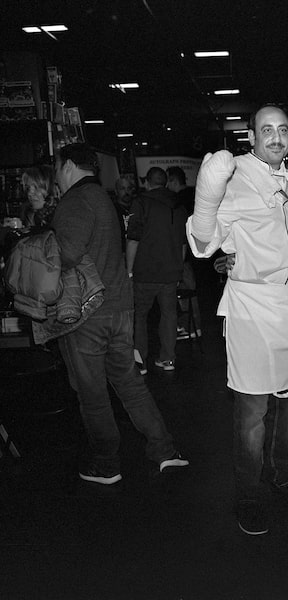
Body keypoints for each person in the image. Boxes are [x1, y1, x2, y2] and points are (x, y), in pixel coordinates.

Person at [186, 104, 288, 536]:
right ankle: (249, 494)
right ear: (251, 137)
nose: (276, 137)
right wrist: (208, 197)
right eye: (267, 130)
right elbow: (205, 243)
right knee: (251, 413)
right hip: (254, 311)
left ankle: (284, 472)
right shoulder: (235, 176)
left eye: (283, 130)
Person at [51, 143, 188, 484]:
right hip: (118, 307)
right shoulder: (103, 197)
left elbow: (66, 254)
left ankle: (106, 463)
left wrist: (40, 247)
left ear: (68, 165)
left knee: (92, 394)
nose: (55, 176)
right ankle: (165, 451)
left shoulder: (75, 202)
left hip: (88, 313)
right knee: (130, 384)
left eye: (56, 168)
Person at [126, 167, 188, 373]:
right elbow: (183, 243)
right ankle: (168, 359)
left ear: (146, 182)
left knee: (139, 317)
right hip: (170, 270)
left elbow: (133, 239)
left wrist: (129, 270)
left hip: (145, 270)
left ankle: (140, 362)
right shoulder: (179, 205)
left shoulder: (141, 203)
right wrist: (178, 266)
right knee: (169, 314)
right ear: (166, 182)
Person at [166, 166, 202, 340]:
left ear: (173, 181)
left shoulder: (177, 202)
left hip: (184, 253)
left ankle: (190, 327)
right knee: (190, 291)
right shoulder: (195, 196)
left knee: (185, 290)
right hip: (197, 251)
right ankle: (193, 326)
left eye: (168, 181)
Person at [113, 175, 136, 251]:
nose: (126, 192)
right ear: (116, 191)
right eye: (122, 188)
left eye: (129, 188)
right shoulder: (112, 211)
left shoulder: (139, 208)